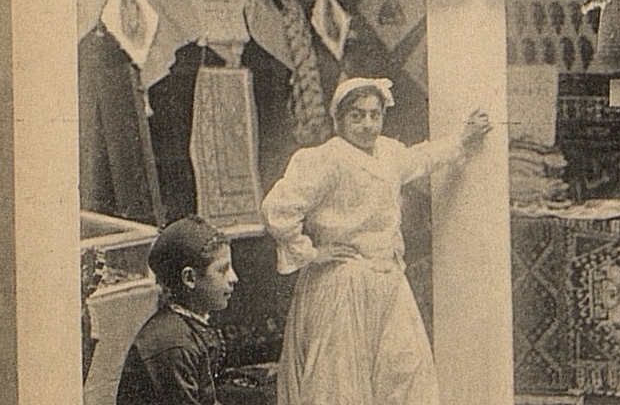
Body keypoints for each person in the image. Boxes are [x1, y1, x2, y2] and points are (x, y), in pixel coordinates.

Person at [261, 77, 491, 405]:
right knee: (340, 380)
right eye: (357, 116)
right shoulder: (327, 159)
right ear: (338, 120)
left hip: (388, 278)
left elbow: (423, 158)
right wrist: (311, 253)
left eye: (374, 115)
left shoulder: (389, 154)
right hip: (343, 282)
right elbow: (278, 209)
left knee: (404, 367)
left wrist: (462, 140)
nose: (367, 125)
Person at [116, 215, 239, 405]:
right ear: (189, 278)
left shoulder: (190, 326)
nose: (233, 278)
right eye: (222, 270)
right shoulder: (174, 345)